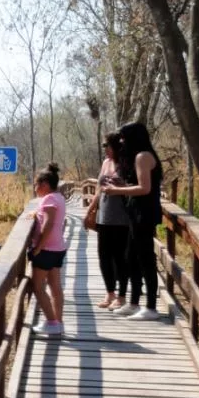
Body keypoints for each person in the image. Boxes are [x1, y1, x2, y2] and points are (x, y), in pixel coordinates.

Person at [101, 121, 163, 321]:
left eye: (123, 138)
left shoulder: (142, 156)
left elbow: (145, 189)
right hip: (135, 214)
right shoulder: (138, 157)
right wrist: (123, 184)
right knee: (131, 258)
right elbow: (138, 185)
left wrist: (116, 190)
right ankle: (134, 303)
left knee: (146, 260)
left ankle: (151, 307)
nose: (121, 142)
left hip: (143, 215)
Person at [83, 132, 130, 310]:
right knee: (104, 256)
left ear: (117, 147)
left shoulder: (127, 164)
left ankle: (122, 296)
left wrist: (120, 187)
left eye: (108, 147)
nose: (106, 150)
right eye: (104, 147)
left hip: (122, 218)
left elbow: (136, 188)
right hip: (104, 216)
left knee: (120, 258)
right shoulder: (105, 163)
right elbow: (98, 189)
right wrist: (90, 210)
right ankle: (110, 292)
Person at [30, 163, 68, 335]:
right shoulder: (58, 197)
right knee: (55, 286)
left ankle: (52, 322)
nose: (35, 188)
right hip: (58, 248)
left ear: (44, 184)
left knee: (37, 287)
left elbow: (48, 224)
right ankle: (58, 322)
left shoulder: (49, 199)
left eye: (36, 184)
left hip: (46, 250)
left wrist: (38, 247)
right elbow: (46, 217)